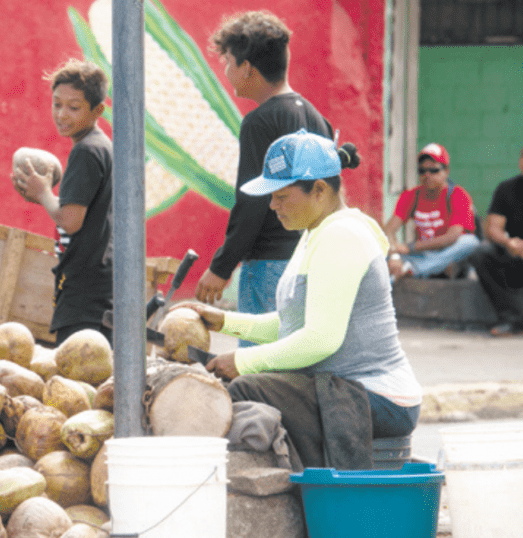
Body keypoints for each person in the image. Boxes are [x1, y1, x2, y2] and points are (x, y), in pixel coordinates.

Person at [175, 130, 423, 470]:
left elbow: (320, 339)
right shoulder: (315, 233)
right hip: (342, 388)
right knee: (240, 386)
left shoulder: (341, 236)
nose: (273, 206)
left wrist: (244, 362)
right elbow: (293, 324)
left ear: (319, 190)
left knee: (244, 389)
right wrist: (225, 321)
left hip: (378, 398)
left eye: (281, 196)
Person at [196, 10, 334, 348]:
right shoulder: (318, 119)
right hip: (307, 258)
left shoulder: (259, 122)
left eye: (227, 62)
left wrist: (221, 266)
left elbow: (254, 202)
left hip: (268, 265)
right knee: (293, 355)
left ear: (246, 67)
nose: (226, 71)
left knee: (259, 365)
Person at [13, 59, 113, 345]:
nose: (62, 114)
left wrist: (43, 193)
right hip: (101, 289)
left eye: (74, 107)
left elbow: (70, 220)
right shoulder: (102, 146)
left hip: (85, 295)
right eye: (57, 104)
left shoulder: (85, 152)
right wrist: (44, 194)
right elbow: (80, 211)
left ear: (97, 111)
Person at [468, 138, 523, 336]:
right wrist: (508, 242)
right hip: (517, 260)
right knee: (481, 253)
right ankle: (511, 318)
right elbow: (492, 228)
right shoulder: (507, 189)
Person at [384, 143, 480, 280]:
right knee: (380, 254)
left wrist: (410, 247)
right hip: (423, 253)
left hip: (449, 251)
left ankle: (415, 269)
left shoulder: (459, 195)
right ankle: (410, 270)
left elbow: (452, 236)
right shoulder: (411, 195)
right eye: (422, 171)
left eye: (434, 170)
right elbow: (389, 230)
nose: (427, 175)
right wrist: (394, 255)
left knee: (470, 242)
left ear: (446, 171)